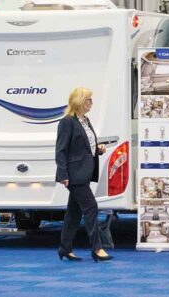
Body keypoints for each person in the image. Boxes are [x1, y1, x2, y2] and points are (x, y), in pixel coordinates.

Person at [55, 87, 113, 262]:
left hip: (84, 172)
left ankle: (64, 248)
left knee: (74, 213)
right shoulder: (67, 122)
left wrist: (98, 149)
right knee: (91, 208)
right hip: (74, 175)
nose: (91, 102)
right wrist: (63, 174)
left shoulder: (85, 121)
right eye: (89, 99)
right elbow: (61, 151)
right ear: (80, 101)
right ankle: (97, 248)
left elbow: (85, 146)